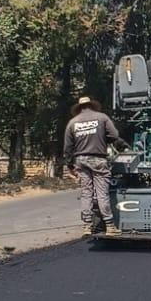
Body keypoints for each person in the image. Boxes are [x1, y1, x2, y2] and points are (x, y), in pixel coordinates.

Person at [64, 95, 123, 235]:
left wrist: (69, 165)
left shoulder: (73, 122)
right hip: (98, 160)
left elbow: (67, 147)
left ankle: (87, 226)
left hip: (81, 160)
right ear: (92, 105)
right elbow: (114, 135)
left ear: (79, 108)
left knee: (86, 193)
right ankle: (109, 226)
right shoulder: (102, 118)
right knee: (102, 193)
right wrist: (103, 139)